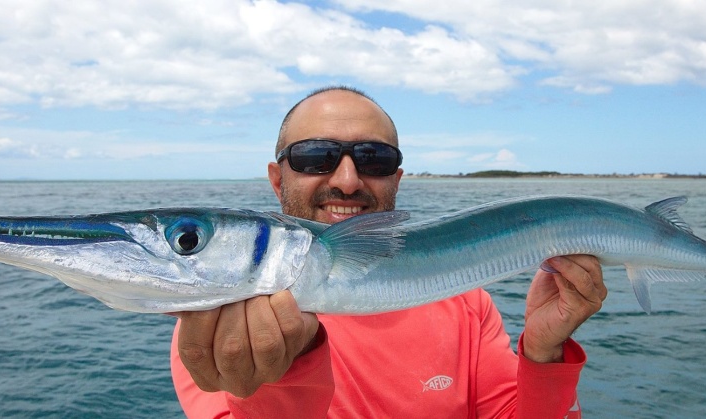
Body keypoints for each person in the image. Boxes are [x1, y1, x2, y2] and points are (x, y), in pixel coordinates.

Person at [170, 86, 607, 418]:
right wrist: (276, 377)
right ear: (277, 179)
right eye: (314, 156)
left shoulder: (466, 303)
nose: (346, 179)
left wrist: (544, 353)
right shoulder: (221, 327)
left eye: (373, 159)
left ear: (396, 179)